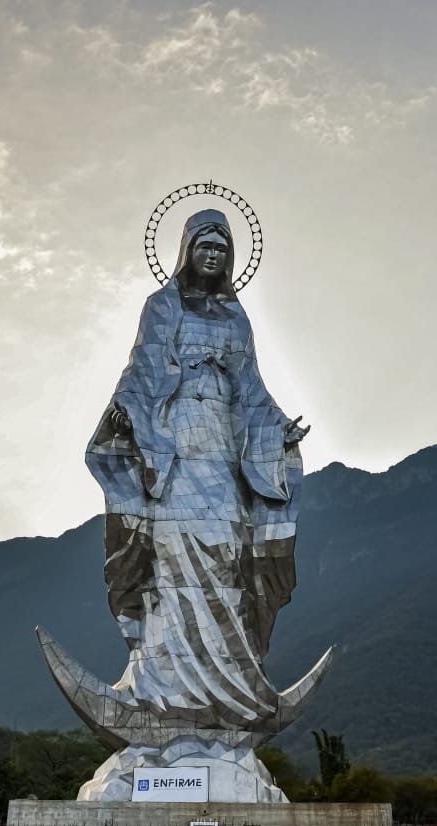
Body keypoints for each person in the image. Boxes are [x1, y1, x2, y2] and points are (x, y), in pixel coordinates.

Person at [85, 208, 309, 731]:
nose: (213, 256)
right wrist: (127, 409)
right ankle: (162, 683)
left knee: (229, 546)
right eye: (205, 246)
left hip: (224, 442)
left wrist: (276, 428)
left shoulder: (236, 319)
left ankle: (227, 683)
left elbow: (251, 385)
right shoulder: (162, 305)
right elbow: (142, 365)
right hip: (174, 437)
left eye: (222, 249)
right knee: (170, 545)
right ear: (187, 250)